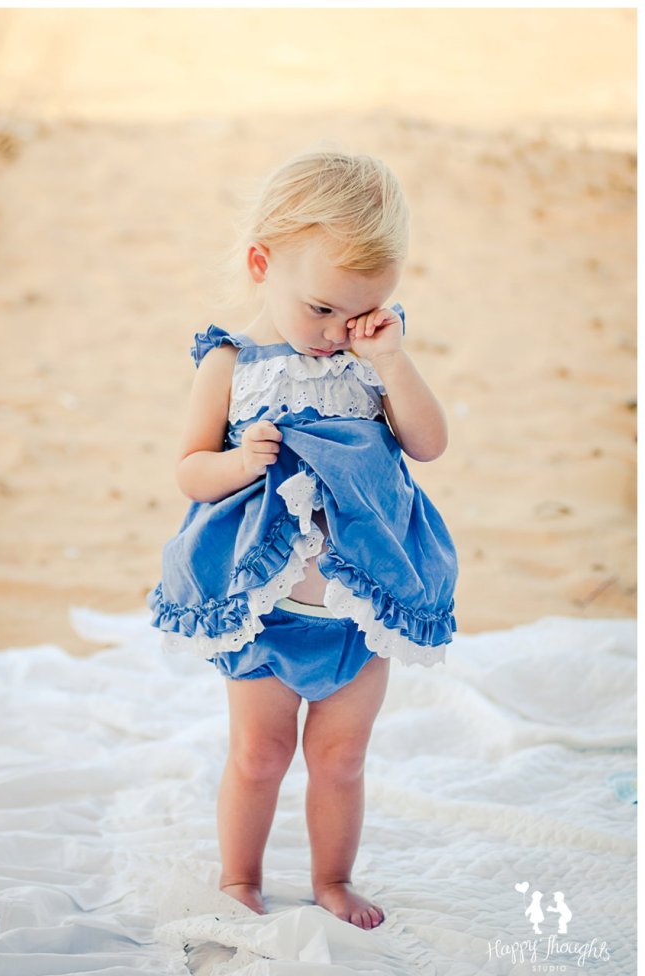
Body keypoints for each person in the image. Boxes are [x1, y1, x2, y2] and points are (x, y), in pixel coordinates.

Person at [148, 150, 458, 930]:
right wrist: (234, 461)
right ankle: (238, 877)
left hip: (362, 611)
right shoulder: (229, 362)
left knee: (341, 761)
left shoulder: (368, 356)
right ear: (262, 264)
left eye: (361, 313)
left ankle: (331, 879)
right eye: (322, 309)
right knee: (258, 757)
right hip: (267, 613)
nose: (336, 332)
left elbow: (426, 445)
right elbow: (188, 470)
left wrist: (387, 356)